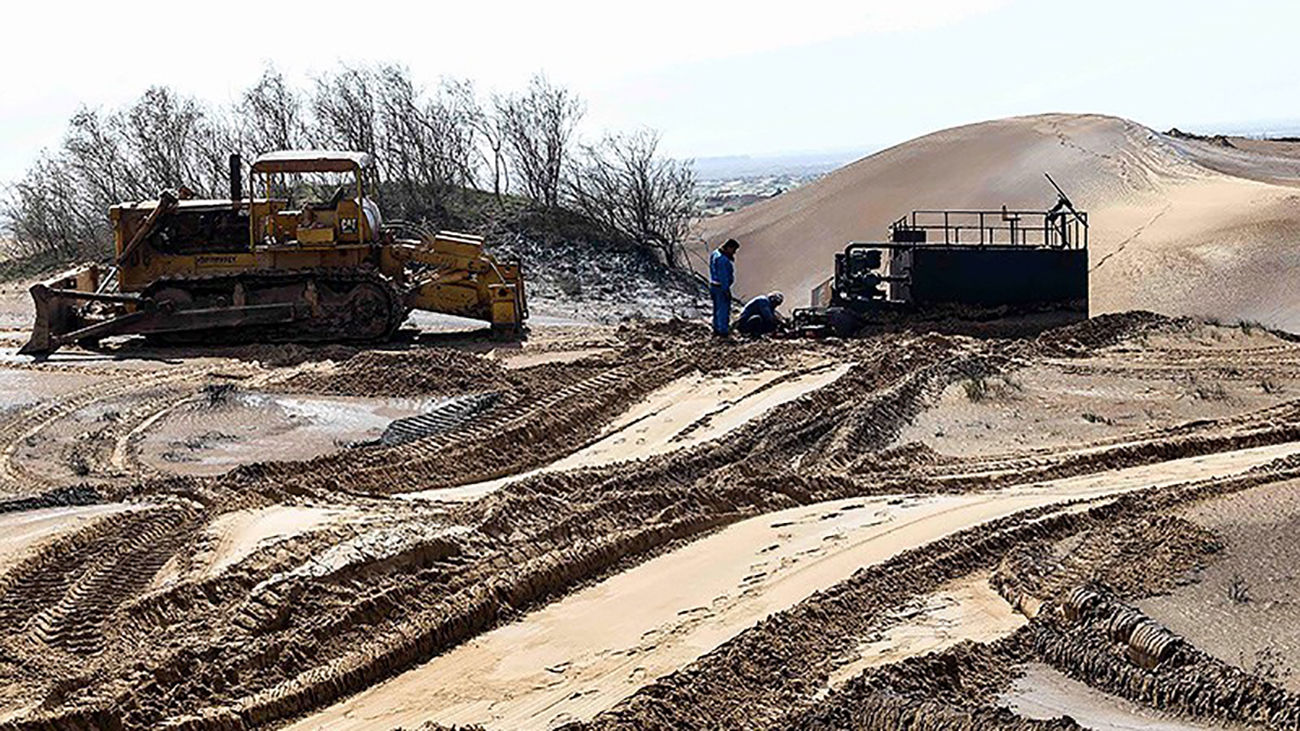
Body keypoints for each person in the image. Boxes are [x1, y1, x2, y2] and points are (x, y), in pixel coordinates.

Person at [709, 239, 739, 337]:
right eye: (733, 250)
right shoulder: (722, 260)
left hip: (714, 285)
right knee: (723, 309)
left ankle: (716, 327)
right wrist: (726, 290)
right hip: (720, 287)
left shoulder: (715, 254)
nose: (734, 253)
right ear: (729, 247)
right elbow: (723, 277)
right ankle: (723, 330)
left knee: (716, 308)